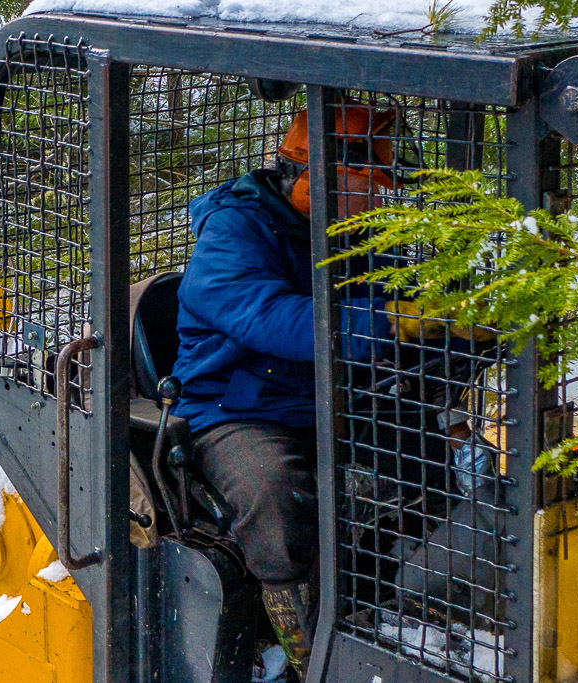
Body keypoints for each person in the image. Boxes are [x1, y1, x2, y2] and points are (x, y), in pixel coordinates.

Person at [170, 102, 481, 675]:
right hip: (235, 406)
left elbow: (393, 297)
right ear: (315, 178)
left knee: (428, 466)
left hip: (337, 394)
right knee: (275, 495)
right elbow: (270, 317)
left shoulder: (354, 231)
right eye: (364, 186)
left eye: (379, 188)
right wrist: (392, 321)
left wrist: (458, 330)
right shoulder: (235, 230)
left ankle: (384, 595)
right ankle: (310, 654)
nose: (377, 201)